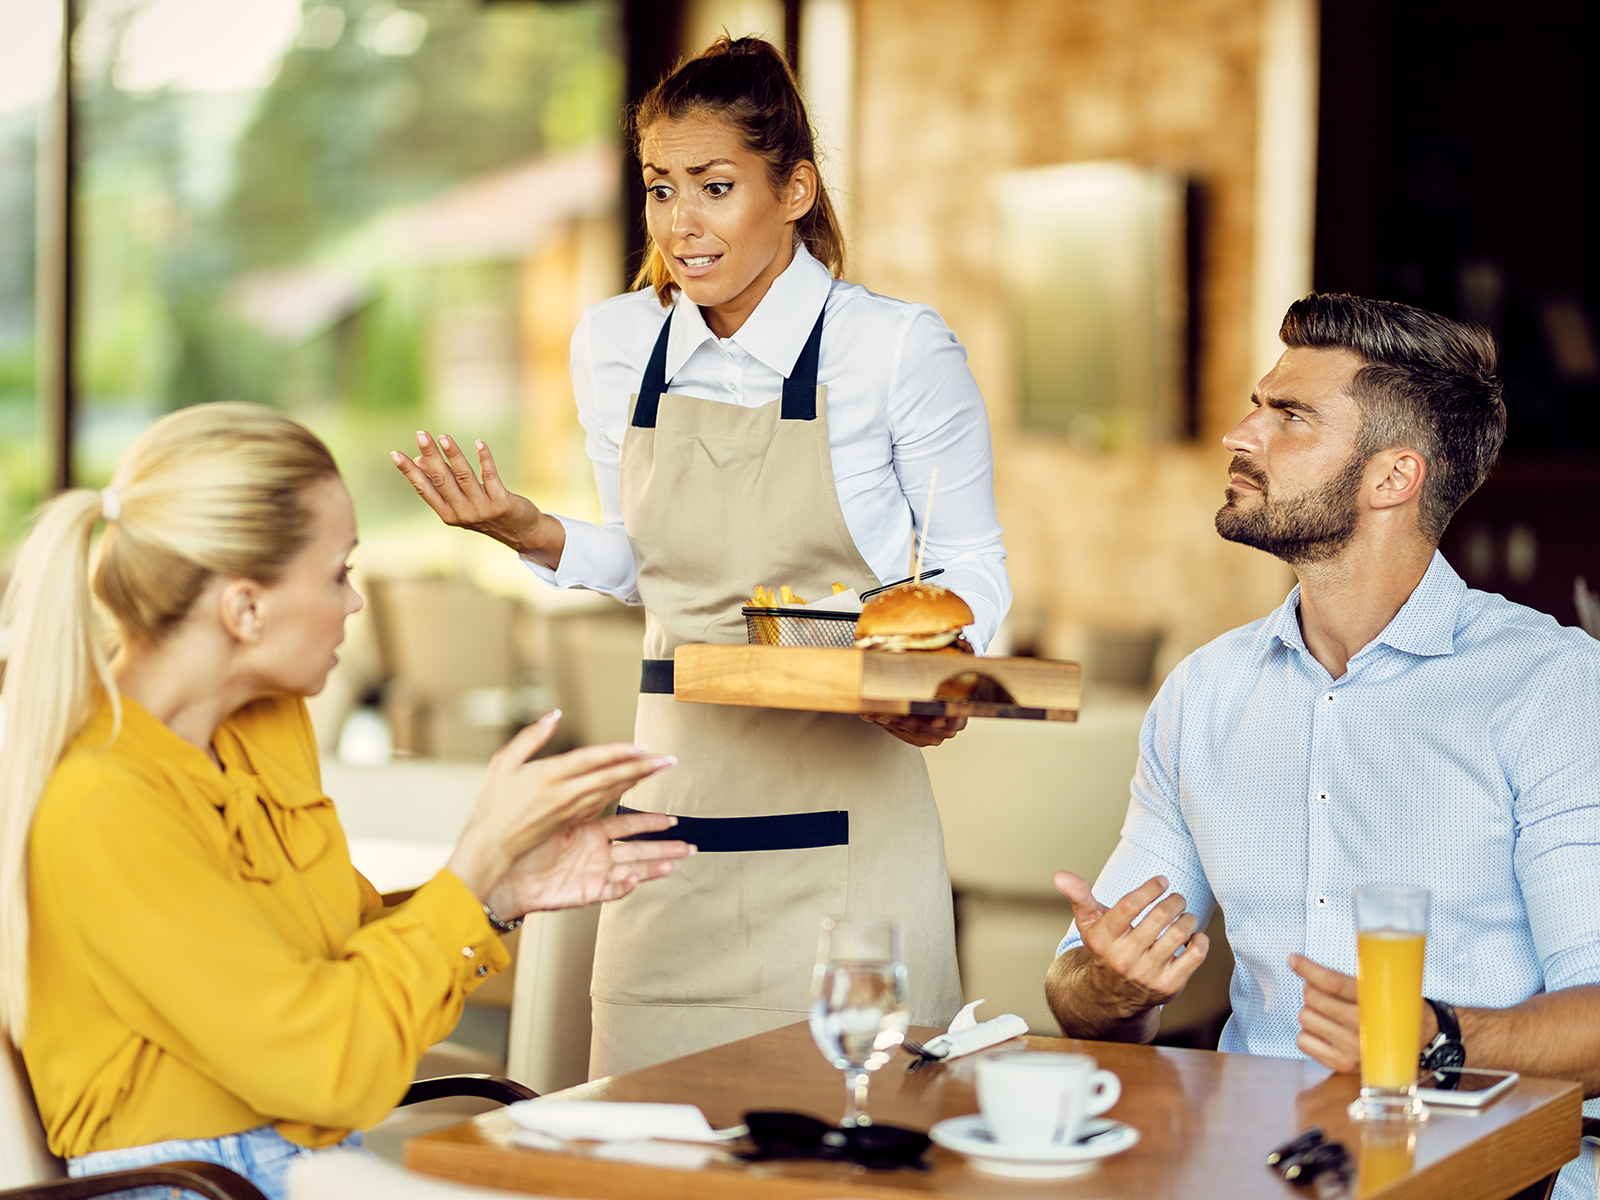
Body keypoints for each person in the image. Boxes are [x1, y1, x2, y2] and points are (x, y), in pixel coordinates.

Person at [392, 36, 1010, 1076]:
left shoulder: (895, 348)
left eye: (716, 187)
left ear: (795, 189)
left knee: (855, 1163)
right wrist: (523, 529)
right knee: (641, 1152)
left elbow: (972, 568)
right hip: (669, 840)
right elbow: (653, 566)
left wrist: (933, 681)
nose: (683, 224)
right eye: (660, 189)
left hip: (851, 853)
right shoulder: (615, 344)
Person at [0, 403, 692, 1199]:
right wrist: (471, 863)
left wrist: (496, 893)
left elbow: (339, 962)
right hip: (191, 1186)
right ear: (244, 608)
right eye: (338, 573)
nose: (356, 604)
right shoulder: (103, 801)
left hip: (311, 1166)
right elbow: (329, 1067)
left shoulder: (261, 726)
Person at [1043, 294, 1600, 1199]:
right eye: (1258, 405)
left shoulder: (1551, 689)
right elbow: (1080, 997)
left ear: (1394, 478)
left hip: (1488, 1179)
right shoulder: (1205, 693)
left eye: (1288, 416)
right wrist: (1113, 985)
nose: (1239, 434)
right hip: (1248, 1169)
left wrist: (1435, 1037)